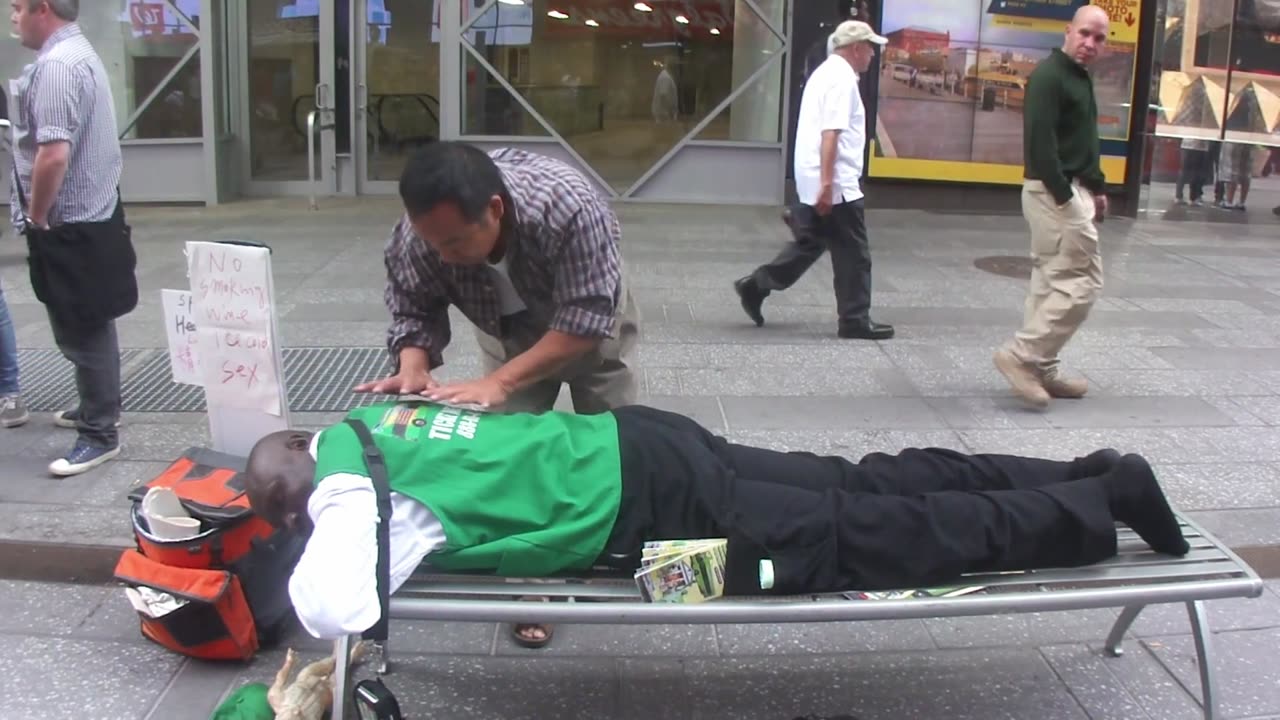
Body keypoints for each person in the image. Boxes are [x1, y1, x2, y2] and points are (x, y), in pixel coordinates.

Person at [244, 400, 1191, 642]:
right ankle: (1084, 472)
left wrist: (303, 531)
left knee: (854, 539)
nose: (299, 522)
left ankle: (1091, 506)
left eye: (288, 510)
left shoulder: (346, 488)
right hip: (646, 443)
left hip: (655, 534)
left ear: (299, 477)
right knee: (859, 483)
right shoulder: (374, 421)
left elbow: (334, 608)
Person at [355, 141, 640, 648]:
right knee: (510, 456)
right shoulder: (421, 233)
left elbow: (585, 321)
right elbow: (413, 307)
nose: (444, 256)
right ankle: (534, 590)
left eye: (456, 244)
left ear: (495, 210)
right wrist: (413, 366)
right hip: (503, 327)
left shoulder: (570, 206)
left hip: (586, 325)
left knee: (619, 445)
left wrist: (501, 380)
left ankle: (625, 549)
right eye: (434, 244)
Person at [9, 0, 133, 475]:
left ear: (43, 8)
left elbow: (53, 154)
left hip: (71, 224)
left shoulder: (58, 67)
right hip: (93, 216)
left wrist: (36, 215)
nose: (12, 16)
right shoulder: (79, 53)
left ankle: (99, 432)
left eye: (18, 7)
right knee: (93, 319)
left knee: (82, 329)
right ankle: (98, 408)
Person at [733, 20, 893, 341]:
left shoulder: (824, 72)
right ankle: (854, 319)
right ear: (856, 48)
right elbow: (830, 134)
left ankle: (757, 284)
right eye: (870, 48)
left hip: (818, 179)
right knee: (854, 253)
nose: (873, 55)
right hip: (837, 184)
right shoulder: (842, 80)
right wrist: (827, 184)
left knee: (813, 243)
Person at [994, 5, 1109, 409]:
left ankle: (1041, 366)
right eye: (1085, 34)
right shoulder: (1049, 76)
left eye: (1099, 38)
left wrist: (1095, 187)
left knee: (1050, 282)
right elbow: (1042, 147)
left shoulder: (1077, 78)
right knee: (1083, 281)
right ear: (1068, 31)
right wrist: (1067, 198)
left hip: (1067, 190)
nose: (1090, 44)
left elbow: (1080, 141)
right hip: (1052, 192)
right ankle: (1022, 356)